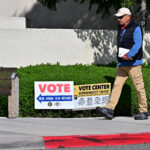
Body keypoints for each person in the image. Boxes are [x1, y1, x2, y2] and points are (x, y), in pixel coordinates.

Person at [96, 7, 148, 120]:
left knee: (139, 88)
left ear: (128, 17)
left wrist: (129, 55)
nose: (119, 19)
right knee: (116, 86)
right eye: (118, 17)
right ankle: (109, 109)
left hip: (133, 63)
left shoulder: (136, 28)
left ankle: (143, 111)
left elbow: (138, 44)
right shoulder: (120, 28)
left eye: (121, 17)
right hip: (122, 64)